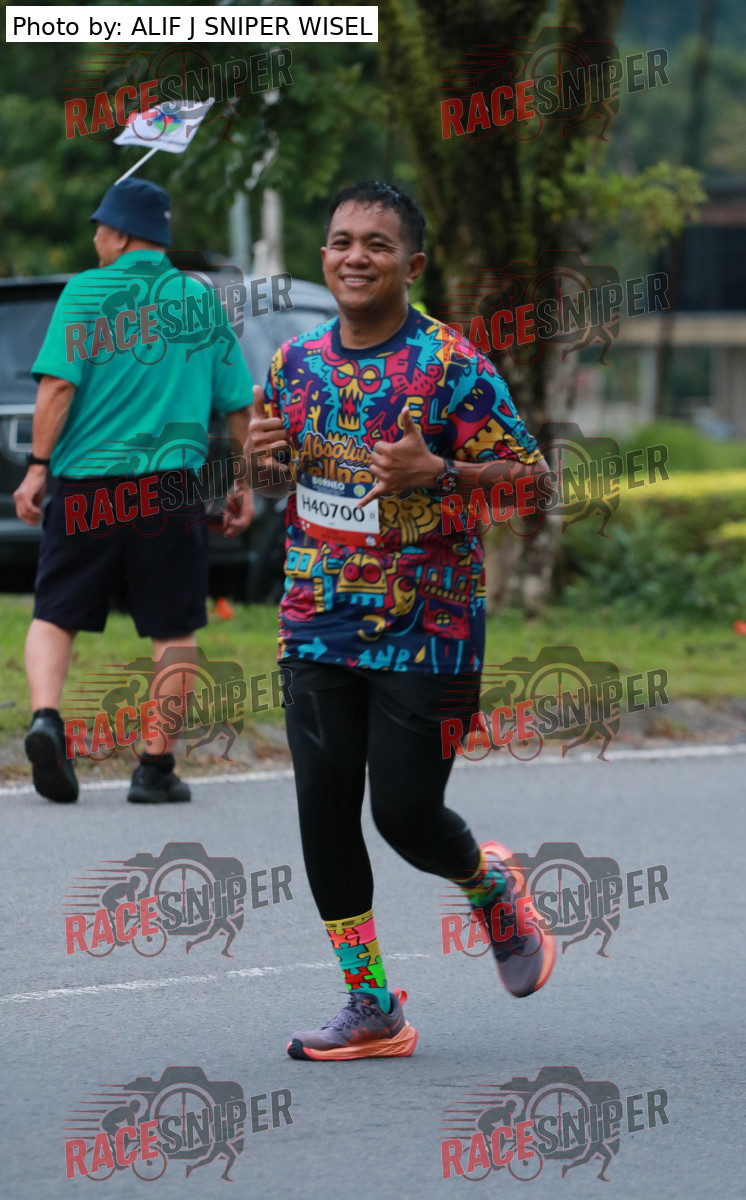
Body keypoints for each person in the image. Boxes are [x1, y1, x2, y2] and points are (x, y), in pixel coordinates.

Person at [247, 180, 556, 1061]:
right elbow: (279, 484)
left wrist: (442, 474)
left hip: (431, 625)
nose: (356, 257)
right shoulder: (293, 364)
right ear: (323, 256)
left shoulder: (451, 365)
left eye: (377, 244)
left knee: (407, 814)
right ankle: (372, 1005)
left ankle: (488, 883)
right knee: (323, 807)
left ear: (411, 264)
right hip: (316, 619)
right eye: (341, 241)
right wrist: (260, 464)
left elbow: (535, 484)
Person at [14, 178, 254, 805]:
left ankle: (46, 721)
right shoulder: (198, 301)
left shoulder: (86, 292)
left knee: (54, 615)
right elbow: (238, 406)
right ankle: (154, 767)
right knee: (173, 630)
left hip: (86, 485)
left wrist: (37, 467)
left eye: (100, 226)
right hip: (170, 490)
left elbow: (57, 388)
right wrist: (239, 481)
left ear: (120, 234)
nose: (96, 236)